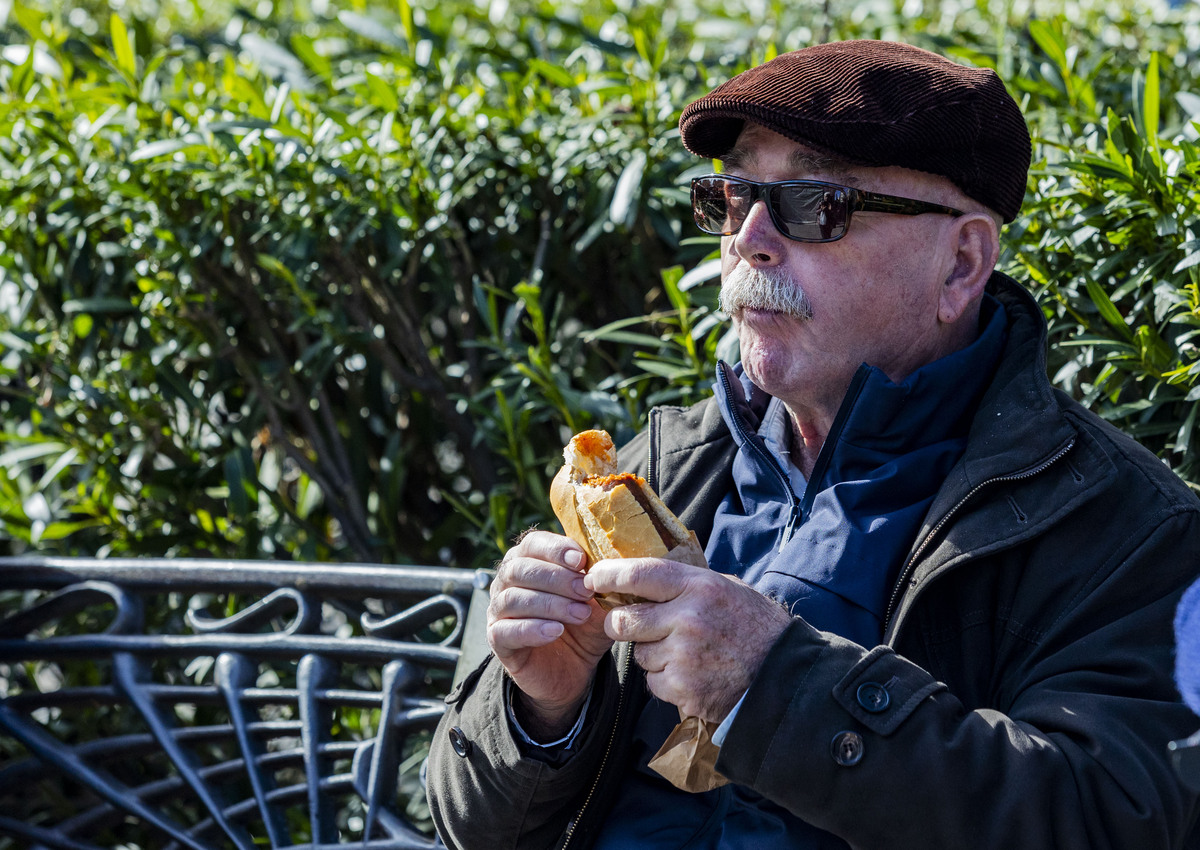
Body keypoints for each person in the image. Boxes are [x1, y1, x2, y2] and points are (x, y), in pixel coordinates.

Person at [425, 39, 1200, 849]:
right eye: (733, 196)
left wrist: (775, 688)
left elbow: (1104, 819)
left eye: (815, 203)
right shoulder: (659, 466)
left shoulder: (1124, 531)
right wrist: (541, 710)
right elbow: (461, 823)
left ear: (962, 263)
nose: (749, 239)